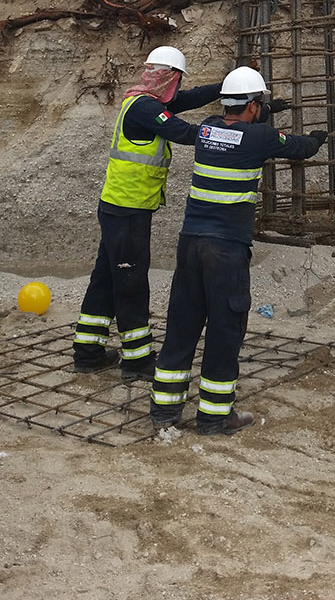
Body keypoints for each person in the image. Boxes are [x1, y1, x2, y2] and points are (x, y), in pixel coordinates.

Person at [150, 66, 327, 436]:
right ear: (253, 107)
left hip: (190, 243)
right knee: (224, 329)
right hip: (226, 249)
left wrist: (263, 110)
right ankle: (214, 416)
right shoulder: (261, 137)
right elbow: (299, 148)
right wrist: (317, 138)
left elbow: (230, 127)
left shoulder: (207, 130)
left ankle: (164, 410)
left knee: (182, 324)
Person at [73, 47, 227, 381]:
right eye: (178, 81)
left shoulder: (142, 101)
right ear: (171, 78)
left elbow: (187, 99)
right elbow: (183, 132)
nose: (178, 88)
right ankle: (137, 359)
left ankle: (88, 353)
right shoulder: (146, 108)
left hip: (119, 207)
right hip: (128, 210)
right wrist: (228, 132)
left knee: (106, 279)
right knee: (130, 282)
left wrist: (224, 87)